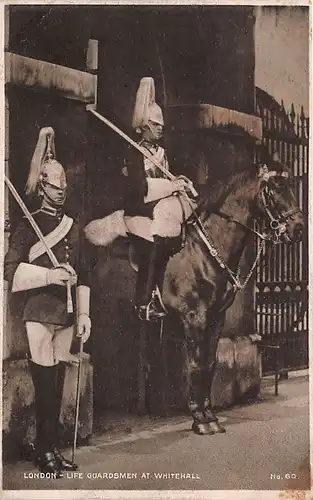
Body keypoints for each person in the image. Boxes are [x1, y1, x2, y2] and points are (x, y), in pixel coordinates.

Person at [4, 127, 91, 476]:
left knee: (58, 384)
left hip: (66, 313)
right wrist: (47, 276)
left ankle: (53, 448)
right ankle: (44, 451)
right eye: (56, 186)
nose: (62, 192)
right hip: (39, 310)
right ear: (42, 186)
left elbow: (82, 273)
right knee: (44, 383)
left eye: (64, 185)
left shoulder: (72, 226)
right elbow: (10, 271)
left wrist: (84, 315)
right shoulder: (28, 224)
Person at [123, 77, 196, 321]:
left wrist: (180, 184)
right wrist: (170, 186)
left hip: (162, 210)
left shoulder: (161, 153)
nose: (160, 129)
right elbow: (139, 188)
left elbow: (169, 182)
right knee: (153, 244)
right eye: (156, 125)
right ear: (144, 125)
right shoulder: (134, 151)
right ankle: (144, 301)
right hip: (139, 210)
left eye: (161, 126)